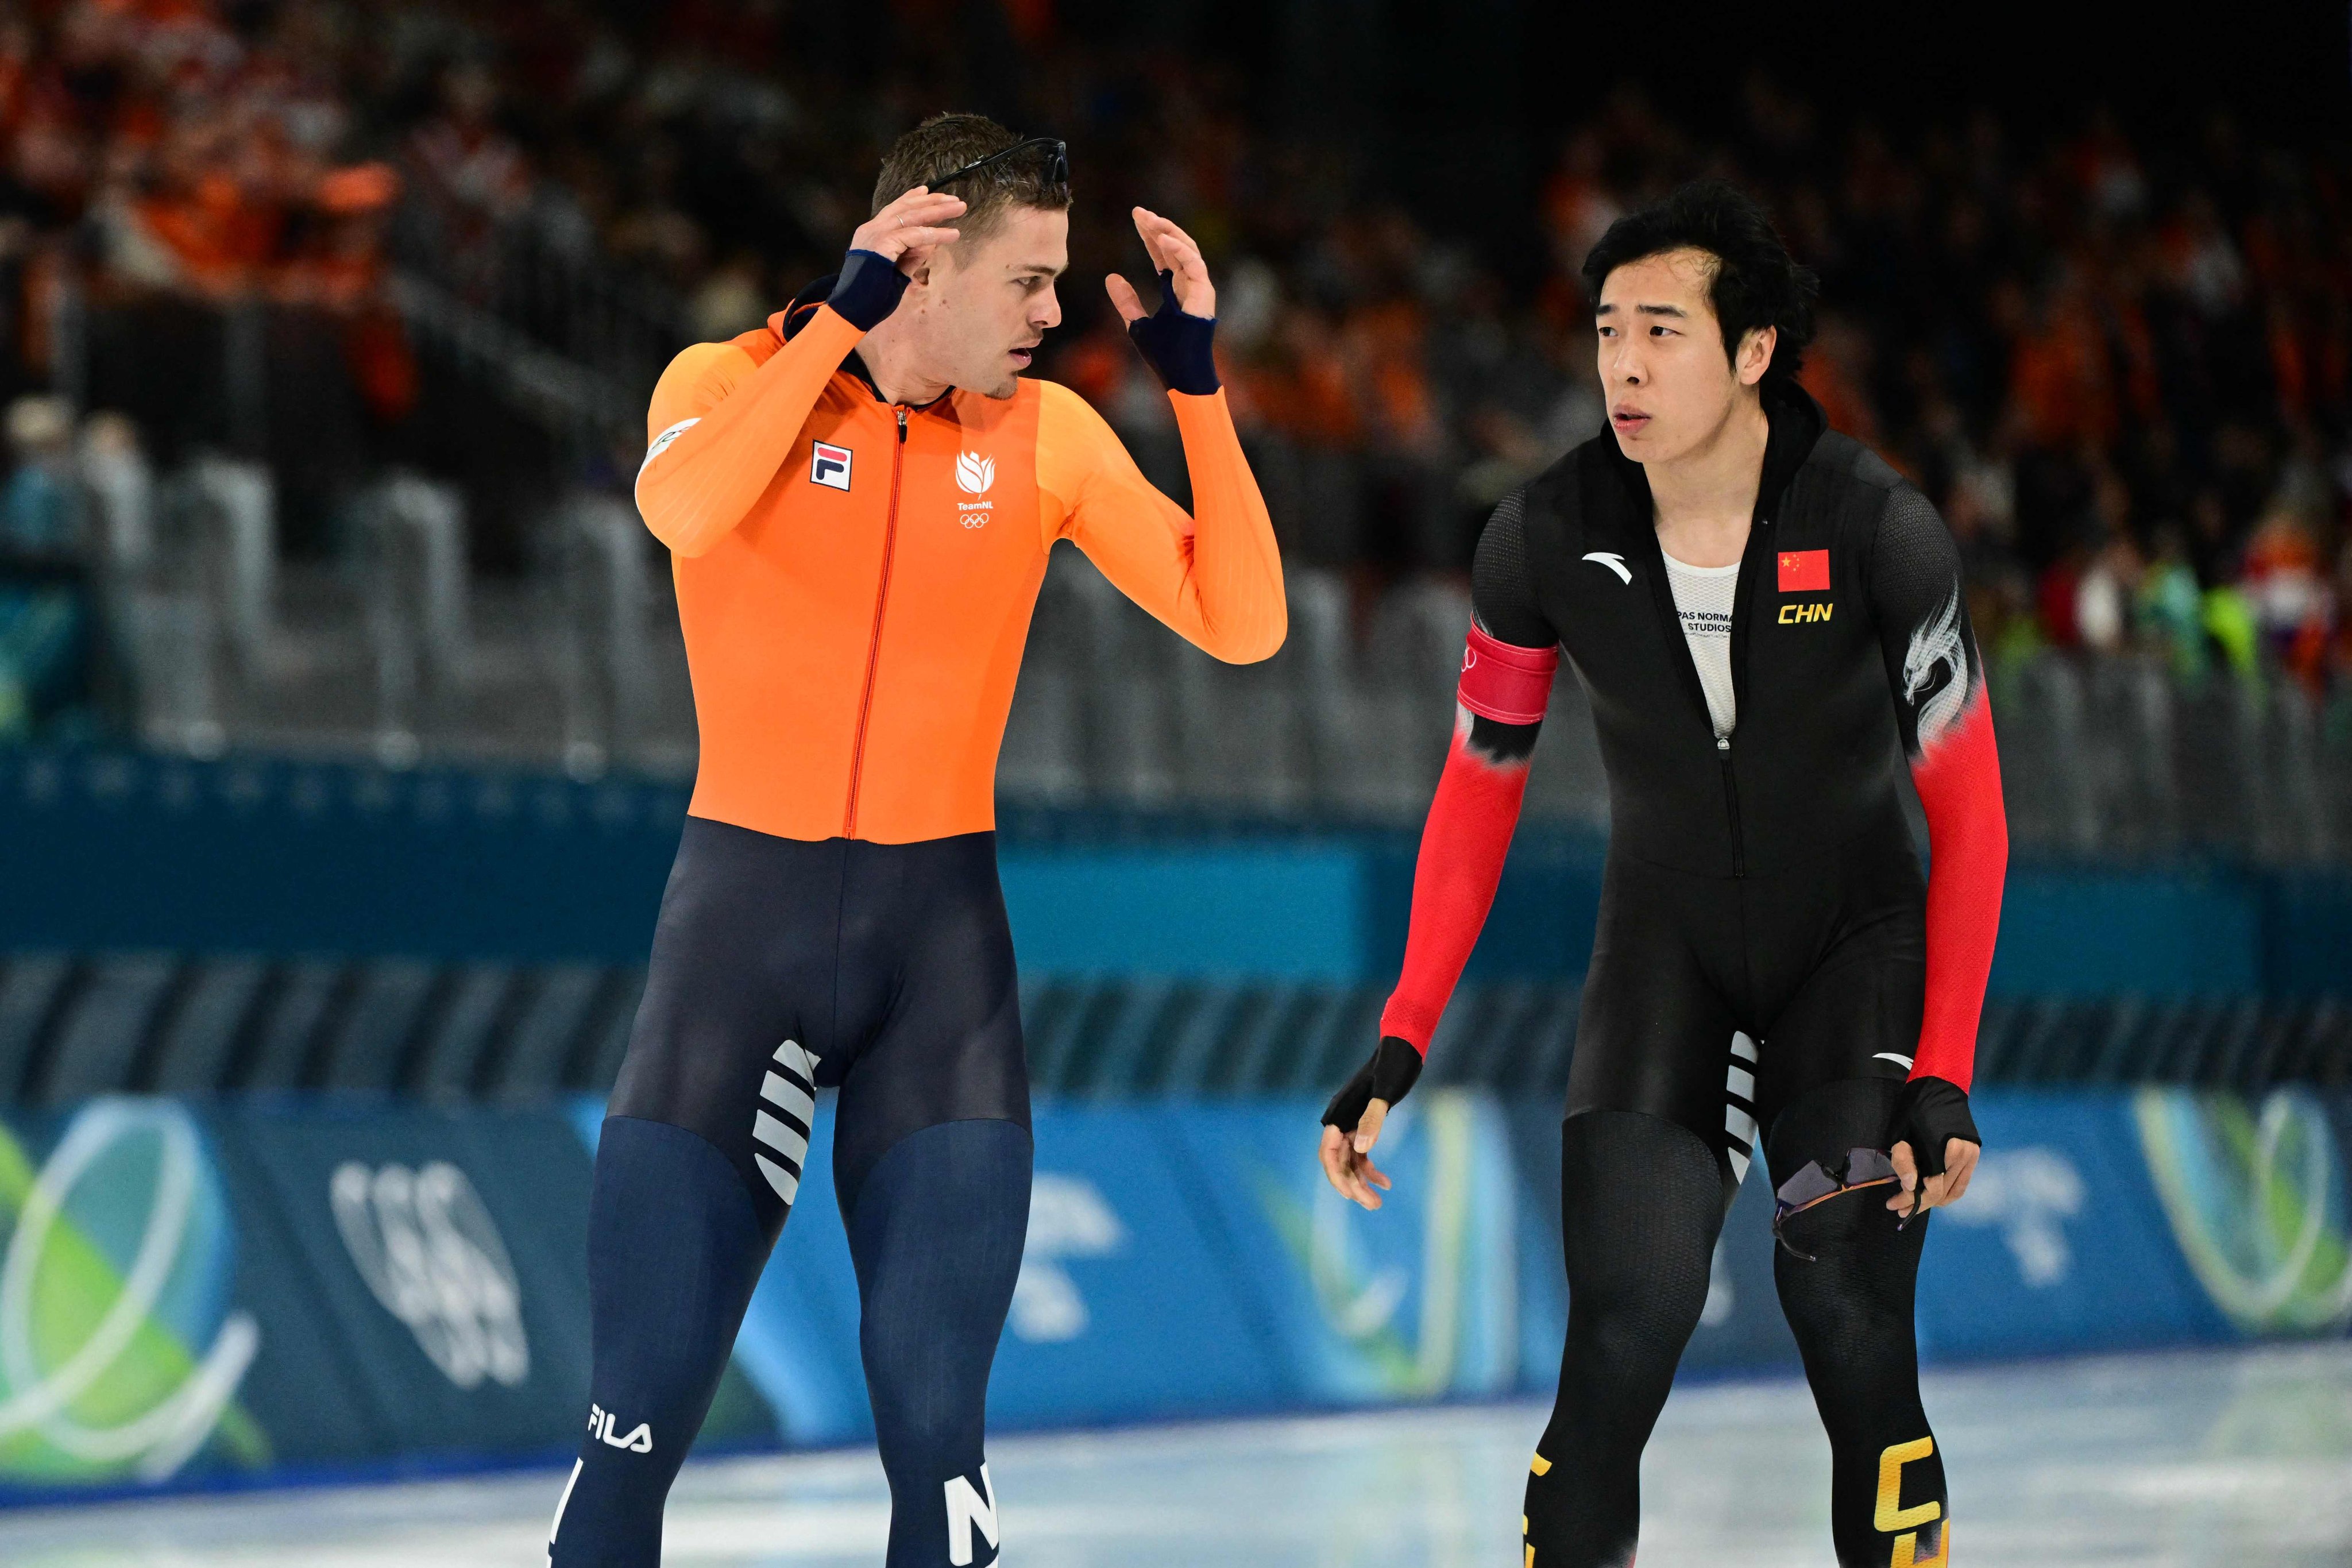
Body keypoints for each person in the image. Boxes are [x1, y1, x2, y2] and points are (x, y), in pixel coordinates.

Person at [550, 113, 1285, 1567]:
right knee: (630, 1434)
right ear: (926, 257)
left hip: (937, 970)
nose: (1052, 314)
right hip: (735, 950)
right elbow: (683, 509)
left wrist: (1198, 393)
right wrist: (835, 326)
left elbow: (1242, 623)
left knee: (940, 1450)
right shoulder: (730, 380)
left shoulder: (1050, 438)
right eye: (1025, 281)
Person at [1318, 180, 2006, 1568]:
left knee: (1845, 1315)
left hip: (1848, 965)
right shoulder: (1539, 539)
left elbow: (1972, 822)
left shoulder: (1878, 529)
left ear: (1751, 352)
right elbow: (1474, 791)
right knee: (1615, 1345)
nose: (1622, 366)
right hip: (1665, 962)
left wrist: (1940, 1071)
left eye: (1662, 331)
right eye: (1604, 332)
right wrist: (1398, 1038)